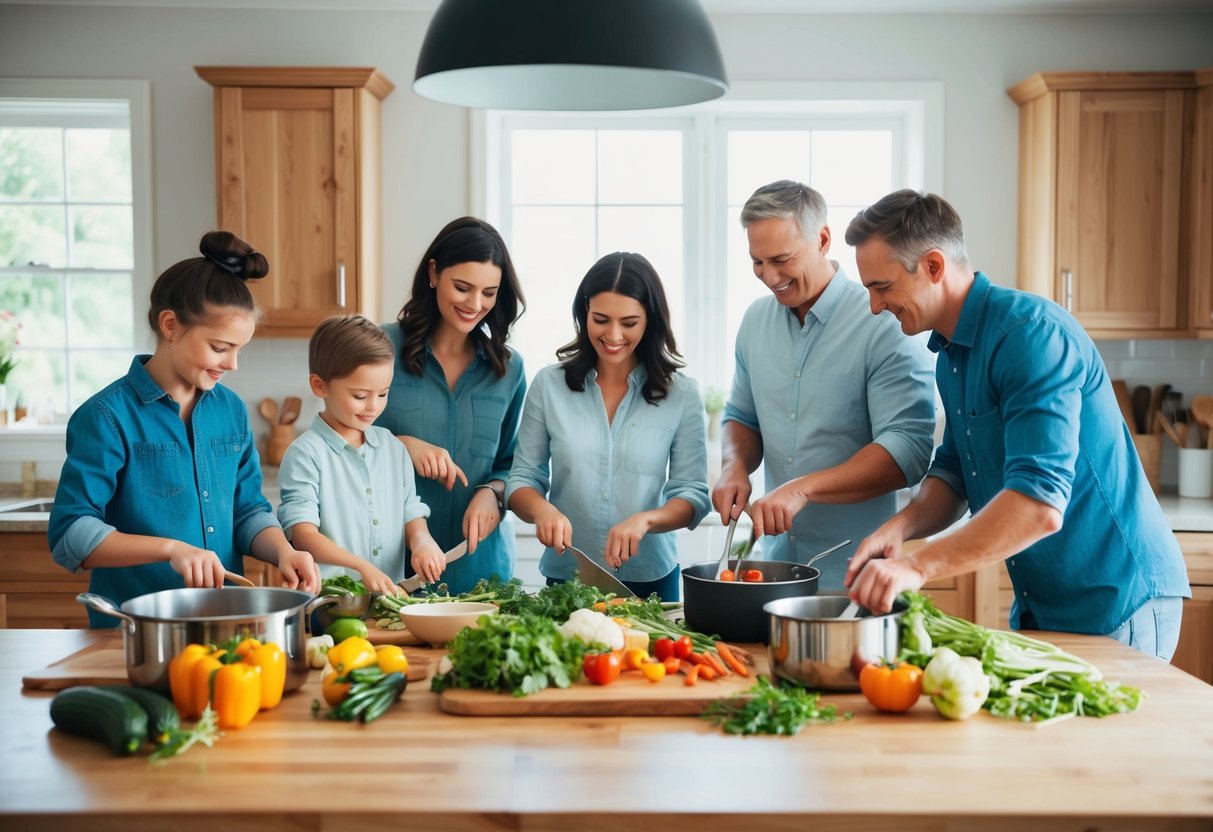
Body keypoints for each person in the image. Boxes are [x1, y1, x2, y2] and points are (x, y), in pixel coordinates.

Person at [843, 188, 1190, 659]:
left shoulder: (1029, 336)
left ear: (933, 266)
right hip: (1045, 604)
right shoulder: (950, 355)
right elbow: (954, 475)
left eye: (882, 287)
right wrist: (898, 529)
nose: (875, 306)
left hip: (1118, 599)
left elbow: (1039, 505)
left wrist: (917, 568)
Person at [49, 231, 320, 627]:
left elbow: (247, 511)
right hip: (134, 633)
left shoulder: (231, 411)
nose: (233, 364)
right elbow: (71, 533)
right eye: (219, 347)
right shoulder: (106, 417)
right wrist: (171, 549)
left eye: (239, 349)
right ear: (171, 325)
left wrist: (283, 551)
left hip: (225, 625)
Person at [712, 180, 936, 589]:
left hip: (856, 574)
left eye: (781, 259)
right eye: (758, 262)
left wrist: (803, 489)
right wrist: (734, 466)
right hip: (775, 568)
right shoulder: (754, 322)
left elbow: (908, 450)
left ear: (823, 239)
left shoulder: (884, 321)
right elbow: (741, 417)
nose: (769, 276)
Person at [506, 252, 711, 601]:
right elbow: (522, 479)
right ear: (584, 311)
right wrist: (542, 510)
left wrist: (646, 521)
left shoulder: (682, 394)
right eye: (601, 319)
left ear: (651, 320)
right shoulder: (548, 386)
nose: (613, 335)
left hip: (651, 579)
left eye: (629, 323)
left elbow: (692, 494)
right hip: (567, 575)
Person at [375, 217, 526, 595]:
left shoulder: (509, 369)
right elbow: (337, 437)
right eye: (463, 287)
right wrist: (402, 445)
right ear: (433, 273)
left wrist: (493, 491)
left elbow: (517, 465)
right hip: (393, 569)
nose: (475, 305)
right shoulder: (380, 347)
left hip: (482, 573)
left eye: (489, 293)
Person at [277, 315, 445, 592]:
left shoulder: (393, 448)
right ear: (320, 385)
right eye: (359, 395)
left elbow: (410, 511)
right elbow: (304, 535)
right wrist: (360, 566)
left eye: (383, 394)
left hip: (389, 602)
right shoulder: (305, 454)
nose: (373, 407)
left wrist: (422, 541)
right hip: (333, 605)